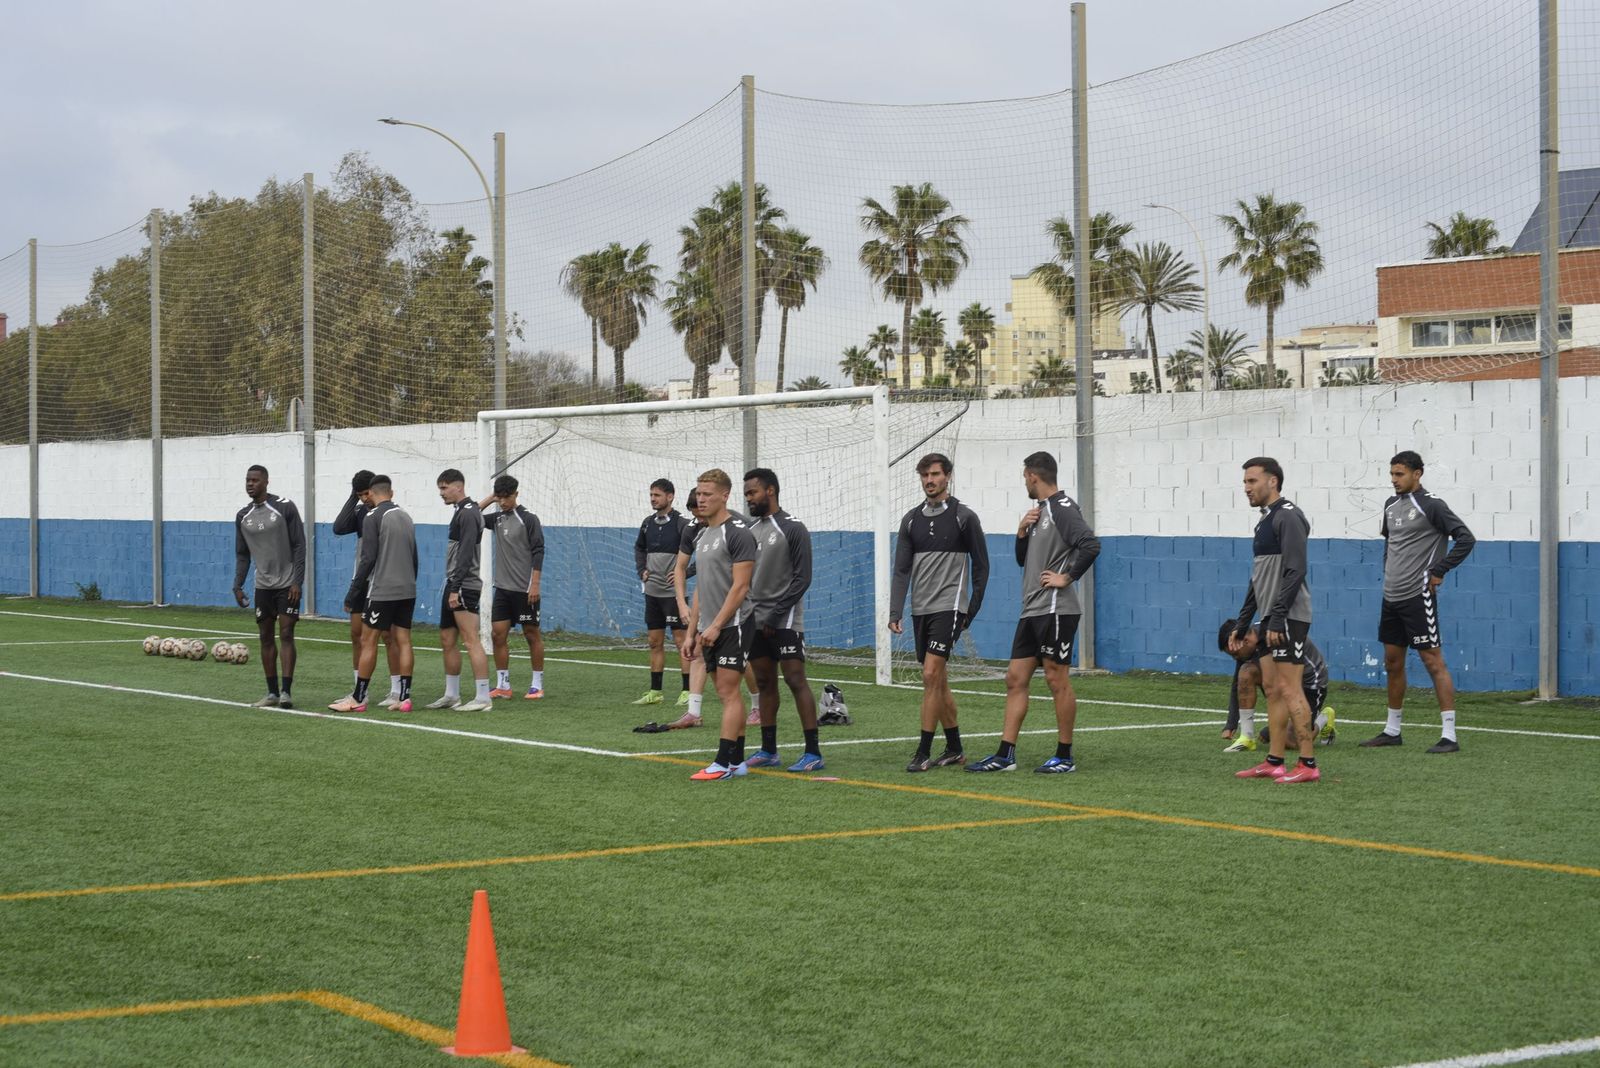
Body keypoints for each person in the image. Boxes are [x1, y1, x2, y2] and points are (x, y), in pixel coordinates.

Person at [968, 451, 1101, 773]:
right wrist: (1020, 534)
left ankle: (1065, 756)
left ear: (1032, 476)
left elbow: (1090, 544)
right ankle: (1005, 755)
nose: (1024, 482)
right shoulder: (1039, 512)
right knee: (1015, 679)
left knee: (1057, 680)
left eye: (1024, 477)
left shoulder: (1062, 508)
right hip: (1032, 610)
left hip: (1056, 609)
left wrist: (1066, 577)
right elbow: (1022, 560)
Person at [1361, 450, 1477, 754]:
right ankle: (1392, 730)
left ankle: (1449, 735)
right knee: (1392, 661)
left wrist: (1439, 570)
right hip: (1391, 596)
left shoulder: (1432, 505)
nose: (1394, 480)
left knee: (1431, 660)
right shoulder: (1390, 506)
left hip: (1417, 595)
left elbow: (1465, 538)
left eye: (1400, 474)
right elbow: (1391, 543)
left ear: (1417, 474)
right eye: (1392, 475)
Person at [889, 452, 989, 773]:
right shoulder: (911, 520)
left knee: (930, 675)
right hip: (922, 610)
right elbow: (902, 570)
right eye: (924, 476)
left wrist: (969, 610)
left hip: (950, 608)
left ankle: (922, 752)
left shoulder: (964, 517)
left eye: (935, 474)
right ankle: (956, 748)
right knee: (939, 681)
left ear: (947, 476)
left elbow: (982, 567)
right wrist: (895, 610)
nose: (929, 481)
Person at [1229, 457, 1320, 784]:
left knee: (1289, 687)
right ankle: (1275, 760)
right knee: (1272, 688)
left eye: (1252, 481)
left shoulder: (1289, 517)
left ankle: (1308, 764)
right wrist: (1244, 622)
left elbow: (1296, 570)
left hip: (1288, 617)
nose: (1246, 488)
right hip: (1270, 617)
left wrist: (1278, 617)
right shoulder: (1264, 521)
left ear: (1273, 481)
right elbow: (1259, 579)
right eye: (1245, 482)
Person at [742, 468, 825, 773]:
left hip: (785, 620)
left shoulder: (793, 528)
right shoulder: (751, 531)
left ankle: (813, 752)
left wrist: (777, 614)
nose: (749, 498)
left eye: (753, 492)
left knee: (794, 680)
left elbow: (803, 578)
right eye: (747, 493)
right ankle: (768, 750)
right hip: (755, 619)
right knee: (764, 682)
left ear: (771, 491)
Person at [686, 469, 759, 781]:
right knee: (725, 692)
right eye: (699, 494)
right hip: (710, 627)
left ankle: (722, 763)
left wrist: (716, 625)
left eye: (707, 494)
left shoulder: (738, 533)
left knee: (729, 692)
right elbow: (702, 588)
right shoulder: (703, 536)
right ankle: (737, 762)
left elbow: (740, 587)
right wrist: (693, 630)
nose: (701, 499)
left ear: (725, 495)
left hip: (736, 625)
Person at [330, 474, 417, 713]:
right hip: (407, 588)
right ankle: (404, 697)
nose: (363, 499)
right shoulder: (406, 516)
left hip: (380, 589)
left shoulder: (372, 516)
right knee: (404, 640)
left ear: (372, 492)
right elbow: (414, 556)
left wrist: (353, 592)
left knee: (369, 640)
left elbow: (368, 559)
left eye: (364, 494)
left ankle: (359, 696)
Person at [232, 464, 306, 709]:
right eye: (247, 480)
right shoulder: (242, 516)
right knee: (265, 637)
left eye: (254, 480)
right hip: (262, 585)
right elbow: (242, 554)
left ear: (266, 482)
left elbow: (299, 546)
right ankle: (271, 693)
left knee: (286, 634)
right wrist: (238, 584)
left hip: (287, 584)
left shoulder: (285, 507)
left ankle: (286, 692)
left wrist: (297, 580)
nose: (250, 484)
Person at [426, 469, 493, 712]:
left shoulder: (467, 513)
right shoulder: (466, 510)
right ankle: (451, 695)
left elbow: (465, 554)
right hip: (453, 583)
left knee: (470, 640)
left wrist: (455, 588)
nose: (441, 493)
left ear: (458, 487)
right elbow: (476, 509)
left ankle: (483, 698)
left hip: (463, 585)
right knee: (447, 639)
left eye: (444, 488)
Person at [1219, 620, 1335, 752]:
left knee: (1292, 740)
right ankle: (1247, 737)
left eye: (1235, 654)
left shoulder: (1275, 636)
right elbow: (1238, 684)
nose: (1235, 658)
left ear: (1245, 641)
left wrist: (1274, 727)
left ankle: (1323, 718)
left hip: (1311, 683)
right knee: (1246, 672)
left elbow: (1288, 680)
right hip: (1284, 680)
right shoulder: (1247, 644)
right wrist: (1231, 723)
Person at [478, 475, 546, 700]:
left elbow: (538, 551)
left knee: (531, 634)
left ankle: (537, 684)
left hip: (525, 590)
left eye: (507, 497)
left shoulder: (528, 518)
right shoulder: (496, 518)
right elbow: (469, 516)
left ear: (516, 494)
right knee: (498, 635)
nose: (504, 502)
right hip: (503, 590)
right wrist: (490, 499)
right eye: (501, 498)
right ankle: (503, 685)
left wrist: (534, 584)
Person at [632, 478, 692, 708]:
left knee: (681, 641)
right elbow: (639, 548)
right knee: (654, 642)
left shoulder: (682, 524)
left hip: (673, 596)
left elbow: (700, 549)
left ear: (670, 497)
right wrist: (641, 570)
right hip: (652, 594)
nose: (653, 499)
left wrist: (687, 573)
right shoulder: (647, 523)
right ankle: (655, 691)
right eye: (651, 495)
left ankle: (687, 691)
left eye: (657, 495)